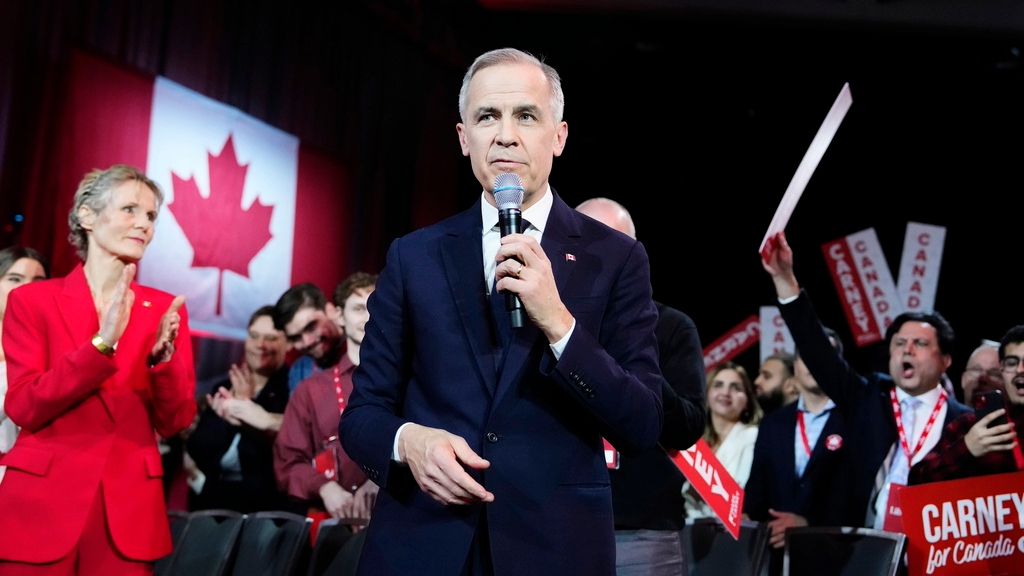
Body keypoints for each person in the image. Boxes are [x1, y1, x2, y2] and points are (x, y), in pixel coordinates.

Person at [339, 48, 665, 575]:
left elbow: (644, 422)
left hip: (554, 549)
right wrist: (408, 442)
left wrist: (559, 323)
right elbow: (362, 415)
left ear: (558, 137)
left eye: (526, 116)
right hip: (422, 545)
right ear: (464, 138)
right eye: (487, 116)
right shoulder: (414, 255)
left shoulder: (616, 257)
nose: (506, 135)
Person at [0, 165, 195, 573]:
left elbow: (175, 421)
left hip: (125, 514)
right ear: (87, 216)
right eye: (130, 209)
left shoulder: (164, 309)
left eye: (151, 216)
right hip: (41, 507)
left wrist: (162, 364)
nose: (143, 223)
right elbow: (23, 405)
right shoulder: (32, 302)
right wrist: (101, 346)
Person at [760, 231, 970, 528]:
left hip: (933, 553)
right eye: (899, 343)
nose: (906, 350)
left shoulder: (964, 422)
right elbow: (819, 352)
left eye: (920, 344)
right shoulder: (869, 397)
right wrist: (785, 281)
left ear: (945, 360)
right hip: (865, 551)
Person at [577, 197, 705, 576]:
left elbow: (688, 427)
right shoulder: (540, 320)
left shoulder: (671, 328)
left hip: (642, 539)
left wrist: (633, 355)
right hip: (556, 526)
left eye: (611, 244)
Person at [745, 329, 856, 575]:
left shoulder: (856, 420)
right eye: (807, 355)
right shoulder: (773, 424)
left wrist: (809, 525)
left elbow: (860, 494)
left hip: (836, 559)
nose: (814, 360)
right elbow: (757, 490)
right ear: (795, 366)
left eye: (824, 353)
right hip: (777, 559)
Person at [275, 273, 378, 522]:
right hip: (332, 522)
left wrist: (380, 481)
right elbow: (289, 461)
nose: (367, 316)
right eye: (357, 308)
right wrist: (324, 486)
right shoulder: (308, 385)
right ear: (340, 315)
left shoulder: (414, 378)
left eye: (375, 305)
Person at [186, 305, 289, 512]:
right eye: (254, 336)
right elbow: (198, 449)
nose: (261, 345)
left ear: (287, 344)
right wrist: (225, 416)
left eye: (271, 338)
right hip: (214, 502)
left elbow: (272, 459)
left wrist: (245, 406)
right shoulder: (224, 386)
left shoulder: (292, 389)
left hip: (263, 508)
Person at [910, 325, 1024, 483]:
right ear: (1003, 370)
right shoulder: (969, 427)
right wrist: (967, 448)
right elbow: (917, 479)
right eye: (1012, 363)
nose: (1020, 369)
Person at [682, 362, 761, 519]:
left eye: (736, 387)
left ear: (747, 400)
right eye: (718, 385)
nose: (725, 392)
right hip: (691, 533)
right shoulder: (693, 442)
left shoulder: (754, 437)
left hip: (732, 534)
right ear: (706, 394)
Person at [0, 247, 49, 486]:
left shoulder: (53, 348)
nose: (27, 287)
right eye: (14, 279)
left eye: (38, 280)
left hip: (25, 475)